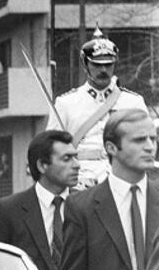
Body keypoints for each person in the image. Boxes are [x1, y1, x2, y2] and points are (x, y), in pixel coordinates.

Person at [56, 109, 159, 270]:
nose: (150, 147)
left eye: (153, 139)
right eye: (139, 140)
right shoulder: (83, 207)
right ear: (111, 147)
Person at [47, 26, 148, 189]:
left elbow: (145, 145)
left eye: (108, 64)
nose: (103, 70)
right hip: (80, 182)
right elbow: (51, 150)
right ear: (85, 64)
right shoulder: (65, 104)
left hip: (123, 179)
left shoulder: (133, 103)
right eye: (96, 64)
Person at [0, 130, 79, 270]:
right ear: (42, 165)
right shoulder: (8, 211)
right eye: (67, 159)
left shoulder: (87, 206)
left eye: (75, 157)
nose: (77, 165)